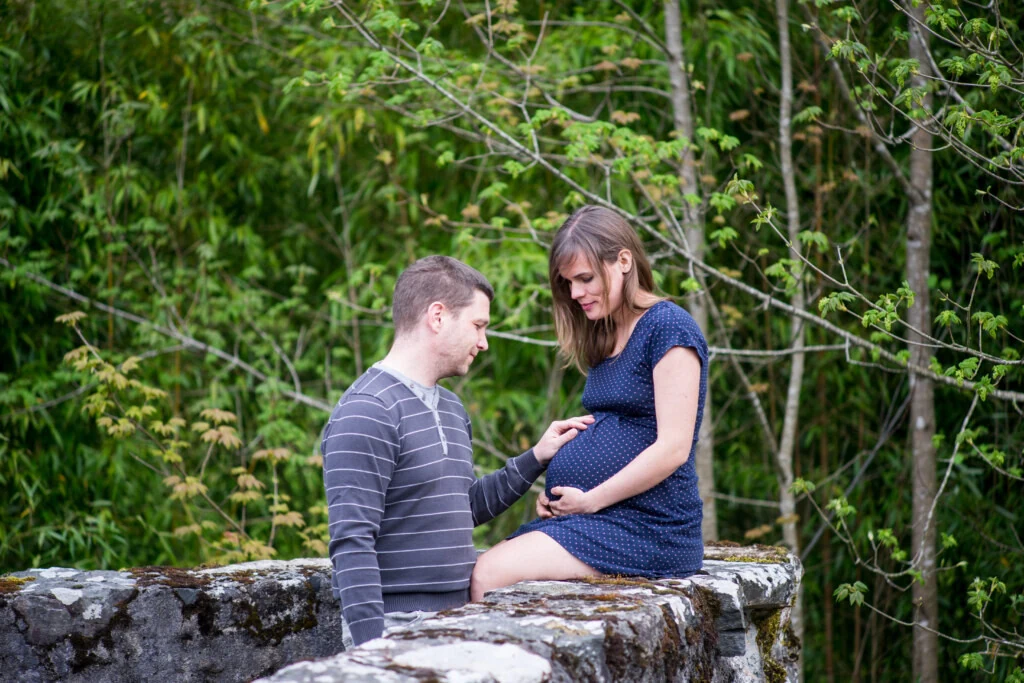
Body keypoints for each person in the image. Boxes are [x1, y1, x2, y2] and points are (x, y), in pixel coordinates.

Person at [321, 255, 593, 648]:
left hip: (459, 617)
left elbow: (463, 508)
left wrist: (537, 457)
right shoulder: (368, 409)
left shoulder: (451, 408)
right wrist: (370, 651)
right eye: (478, 325)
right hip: (396, 626)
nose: (483, 342)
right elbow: (352, 542)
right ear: (437, 316)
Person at [470, 205, 708, 600]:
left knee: (486, 574)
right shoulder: (607, 334)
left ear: (623, 262)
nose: (575, 293)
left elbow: (673, 448)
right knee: (480, 572)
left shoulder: (669, 327)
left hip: (650, 527)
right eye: (567, 283)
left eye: (584, 278)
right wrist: (562, 498)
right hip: (599, 518)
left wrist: (591, 500)